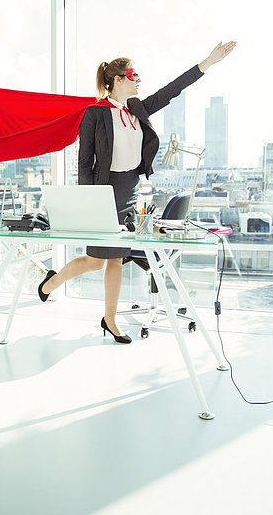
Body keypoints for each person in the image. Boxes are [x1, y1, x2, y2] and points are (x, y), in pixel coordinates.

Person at [38, 40, 237, 343]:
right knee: (95, 260)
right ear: (117, 80)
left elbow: (173, 89)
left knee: (115, 259)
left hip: (130, 189)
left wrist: (208, 62)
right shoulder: (95, 112)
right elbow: (84, 160)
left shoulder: (136, 109)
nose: (138, 80)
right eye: (133, 76)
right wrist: (89, 200)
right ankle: (50, 284)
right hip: (103, 192)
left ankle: (109, 319)